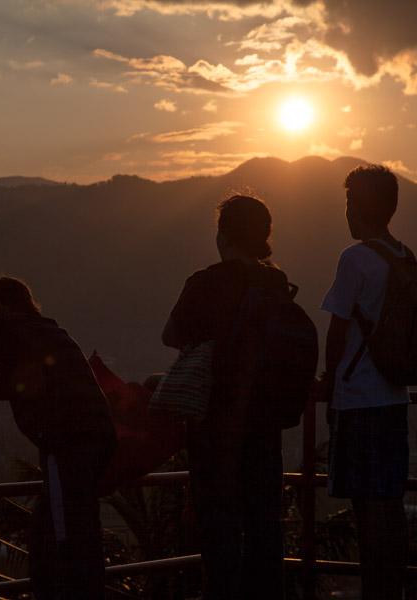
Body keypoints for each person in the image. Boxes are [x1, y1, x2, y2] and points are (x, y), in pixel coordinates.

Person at [0, 276, 116, 600]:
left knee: (64, 536)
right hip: (98, 436)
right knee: (65, 527)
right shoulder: (52, 330)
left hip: (68, 440)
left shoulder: (6, 327)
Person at [162, 194, 286, 599]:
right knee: (264, 525)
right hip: (265, 421)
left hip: (215, 424)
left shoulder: (206, 283)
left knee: (219, 529)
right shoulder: (276, 282)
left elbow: (172, 335)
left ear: (223, 235)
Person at [321, 164, 409, 600]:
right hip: (395, 397)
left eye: (350, 202)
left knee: (366, 510)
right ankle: (392, 589)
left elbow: (337, 332)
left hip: (358, 400)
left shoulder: (354, 259)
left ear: (359, 207)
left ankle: (376, 590)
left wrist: (327, 386)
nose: (347, 212)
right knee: (389, 505)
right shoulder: (403, 255)